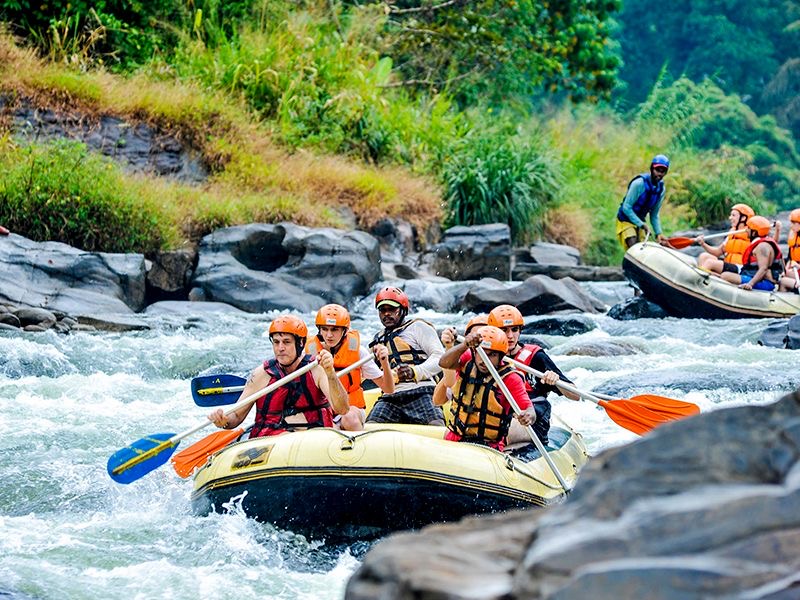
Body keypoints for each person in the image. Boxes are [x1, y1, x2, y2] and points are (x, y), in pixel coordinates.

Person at [208, 314, 349, 436]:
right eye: (276, 342)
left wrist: (331, 374)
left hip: (312, 440)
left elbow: (342, 409)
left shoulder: (316, 369)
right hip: (272, 443)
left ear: (300, 343)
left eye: (286, 342)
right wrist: (224, 421)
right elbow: (236, 417)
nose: (280, 348)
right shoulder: (261, 374)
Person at [487, 304, 580, 446]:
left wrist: (554, 380)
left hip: (533, 419)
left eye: (514, 329)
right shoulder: (486, 357)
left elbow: (575, 395)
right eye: (504, 330)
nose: (510, 336)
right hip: (501, 413)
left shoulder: (536, 357)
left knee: (495, 432)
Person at [437, 325, 535, 450]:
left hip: (488, 446)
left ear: (501, 356)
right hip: (455, 438)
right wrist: (464, 344)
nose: (484, 360)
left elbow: (529, 409)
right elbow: (443, 363)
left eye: (492, 355)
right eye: (481, 353)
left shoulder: (510, 378)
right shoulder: (468, 360)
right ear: (474, 351)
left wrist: (528, 416)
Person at [305, 303, 394, 430]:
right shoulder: (309, 353)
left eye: (334, 329)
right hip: (324, 410)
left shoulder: (358, 351)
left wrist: (384, 362)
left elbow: (388, 389)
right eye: (325, 329)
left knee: (348, 418)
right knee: (329, 427)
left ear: (345, 330)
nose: (329, 335)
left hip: (353, 409)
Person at [366, 286, 445, 425]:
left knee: (436, 425)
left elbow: (439, 357)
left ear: (403, 310)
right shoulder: (377, 339)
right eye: (382, 310)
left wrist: (414, 371)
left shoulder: (418, 327)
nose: (387, 314)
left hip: (421, 390)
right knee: (370, 427)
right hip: (391, 397)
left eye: (392, 309)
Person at [616, 154, 671, 250]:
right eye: (657, 170)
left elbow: (654, 214)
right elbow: (626, 207)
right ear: (651, 169)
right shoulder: (638, 184)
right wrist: (642, 224)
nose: (660, 174)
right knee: (634, 246)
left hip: (640, 221)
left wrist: (659, 233)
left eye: (663, 171)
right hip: (625, 220)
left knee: (643, 249)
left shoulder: (661, 189)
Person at [720, 216, 783, 291]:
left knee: (725, 276)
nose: (746, 230)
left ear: (754, 232)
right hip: (753, 276)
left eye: (749, 228)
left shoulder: (762, 247)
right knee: (720, 275)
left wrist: (750, 284)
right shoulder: (760, 243)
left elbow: (763, 269)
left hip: (765, 283)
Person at [695, 203, 754, 273]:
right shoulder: (732, 232)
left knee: (710, 263)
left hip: (741, 267)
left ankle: (701, 278)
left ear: (743, 218)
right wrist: (703, 244)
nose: (730, 218)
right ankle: (709, 277)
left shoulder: (751, 234)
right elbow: (717, 252)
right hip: (728, 264)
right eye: (731, 215)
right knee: (704, 256)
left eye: (733, 215)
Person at [778, 208, 800, 293]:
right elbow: (790, 258)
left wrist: (798, 266)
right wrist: (786, 270)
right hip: (797, 273)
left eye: (794, 223)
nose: (791, 226)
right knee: (782, 277)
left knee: (783, 282)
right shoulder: (794, 238)